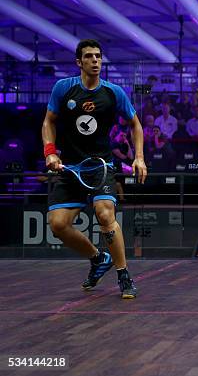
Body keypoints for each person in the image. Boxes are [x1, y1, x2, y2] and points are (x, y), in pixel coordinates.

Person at [42, 39, 146, 299]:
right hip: (70, 168)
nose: (95, 61)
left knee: (104, 213)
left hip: (100, 166)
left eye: (98, 56)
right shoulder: (63, 89)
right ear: (79, 62)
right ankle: (99, 258)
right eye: (89, 57)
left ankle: (123, 275)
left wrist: (139, 157)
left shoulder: (113, 93)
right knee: (57, 224)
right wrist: (50, 152)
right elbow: (48, 122)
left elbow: (135, 124)